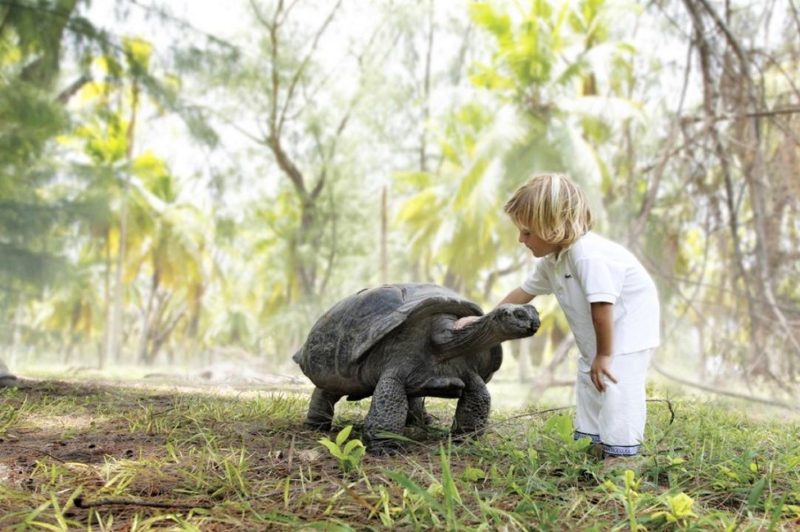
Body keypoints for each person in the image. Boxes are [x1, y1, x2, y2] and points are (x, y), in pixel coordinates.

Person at [455, 173, 660, 462]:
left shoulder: (587, 255)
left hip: (627, 331)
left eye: (527, 232)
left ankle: (622, 457)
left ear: (553, 227)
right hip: (600, 338)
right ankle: (593, 442)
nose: (520, 239)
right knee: (590, 381)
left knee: (617, 387)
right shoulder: (553, 261)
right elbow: (522, 293)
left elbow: (602, 305)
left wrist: (604, 355)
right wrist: (483, 321)